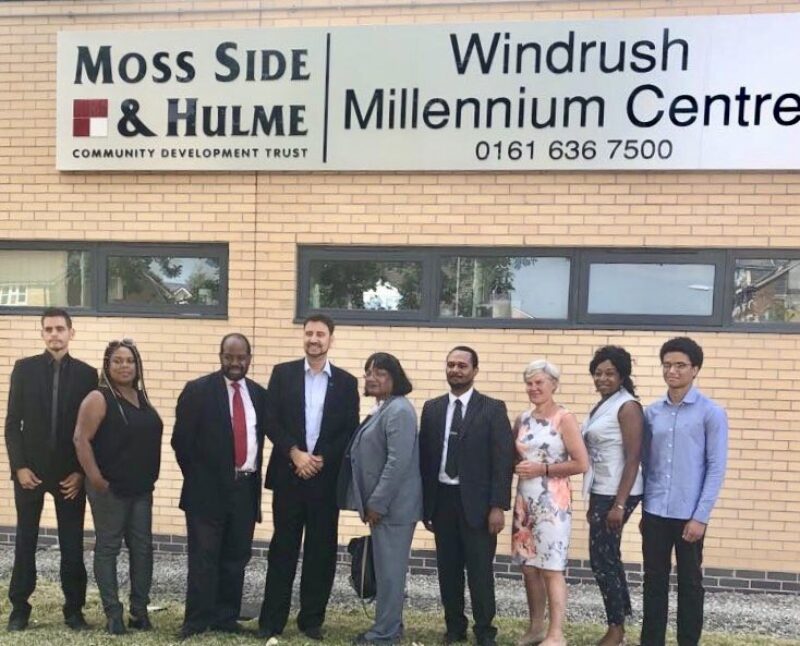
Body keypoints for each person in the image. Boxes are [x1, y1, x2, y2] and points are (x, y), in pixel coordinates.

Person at [258, 314, 359, 641]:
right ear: (303, 337)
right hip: (289, 475)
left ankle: (311, 620)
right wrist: (294, 453)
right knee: (282, 549)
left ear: (331, 339)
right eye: (309, 333)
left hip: (324, 479)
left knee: (321, 550)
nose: (314, 339)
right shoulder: (283, 374)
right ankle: (272, 621)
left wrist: (321, 458)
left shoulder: (346, 382)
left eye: (320, 334)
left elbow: (349, 429)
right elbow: (270, 419)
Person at [4, 308, 98, 632]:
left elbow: (92, 431)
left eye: (60, 328)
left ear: (72, 332)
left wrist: (82, 473)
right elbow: (11, 425)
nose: (54, 334)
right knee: (25, 541)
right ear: (42, 334)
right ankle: (19, 609)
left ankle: (74, 610)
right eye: (48, 329)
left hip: (69, 476)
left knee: (72, 545)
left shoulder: (88, 375)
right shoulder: (24, 370)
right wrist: (19, 467)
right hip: (30, 473)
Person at [171, 333, 267, 639]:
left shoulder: (259, 394)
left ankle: (226, 617)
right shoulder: (197, 391)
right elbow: (181, 442)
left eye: (241, 358)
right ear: (220, 356)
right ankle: (197, 620)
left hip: (245, 488)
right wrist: (200, 478)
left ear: (250, 359)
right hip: (206, 491)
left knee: (236, 556)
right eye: (229, 356)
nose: (235, 363)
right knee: (204, 557)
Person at [418, 346, 514, 646]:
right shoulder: (432, 409)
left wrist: (498, 506)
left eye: (462, 365)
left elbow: (503, 461)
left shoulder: (493, 408)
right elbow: (425, 459)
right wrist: (426, 506)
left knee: (480, 571)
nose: (455, 370)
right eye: (450, 365)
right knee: (448, 569)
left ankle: (485, 631)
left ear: (474, 370)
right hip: (442, 500)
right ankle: (454, 628)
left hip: (479, 505)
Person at [640, 337, 728, 646]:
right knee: (654, 582)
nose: (672, 371)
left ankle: (688, 641)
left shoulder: (711, 413)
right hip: (654, 513)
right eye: (667, 365)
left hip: (689, 516)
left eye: (680, 365)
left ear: (695, 369)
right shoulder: (652, 413)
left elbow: (715, 468)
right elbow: (646, 463)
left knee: (690, 584)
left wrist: (700, 516)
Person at [73, 339, 162, 635]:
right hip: (109, 489)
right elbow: (80, 439)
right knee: (108, 548)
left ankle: (139, 611)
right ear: (107, 365)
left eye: (130, 361)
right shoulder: (99, 398)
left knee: (143, 549)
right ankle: (113, 613)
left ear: (138, 366)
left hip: (141, 489)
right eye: (118, 361)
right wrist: (95, 477)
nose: (124, 366)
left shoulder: (140, 396)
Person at [337, 352, 422, 646]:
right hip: (385, 509)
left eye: (380, 373)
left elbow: (398, 462)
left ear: (395, 378)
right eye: (368, 372)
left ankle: (384, 634)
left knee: (390, 574)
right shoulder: (383, 408)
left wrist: (377, 502)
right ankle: (389, 627)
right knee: (387, 570)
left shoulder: (399, 410)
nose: (372, 378)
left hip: (393, 510)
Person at [511, 359, 589, 646]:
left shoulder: (564, 418)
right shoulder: (522, 419)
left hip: (553, 503)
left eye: (539, 382)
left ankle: (556, 633)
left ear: (553, 384)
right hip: (524, 502)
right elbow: (512, 456)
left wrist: (543, 470)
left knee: (551, 567)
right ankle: (535, 628)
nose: (534, 388)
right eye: (529, 383)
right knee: (529, 567)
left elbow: (581, 463)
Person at [581, 346, 644, 646]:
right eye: (598, 373)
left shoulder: (628, 406)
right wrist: (593, 499)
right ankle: (622, 616)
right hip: (601, 491)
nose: (602, 378)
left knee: (601, 559)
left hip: (619, 492)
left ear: (622, 375)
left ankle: (616, 628)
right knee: (608, 557)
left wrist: (618, 504)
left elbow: (633, 458)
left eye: (609, 373)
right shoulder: (603, 404)